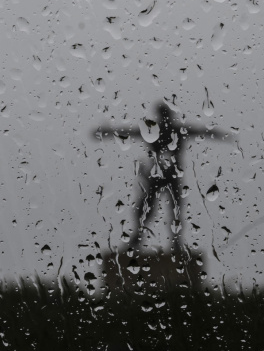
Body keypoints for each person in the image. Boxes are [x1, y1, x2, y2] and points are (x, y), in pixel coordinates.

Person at [93, 101, 234, 251]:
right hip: (160, 175)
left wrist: (221, 134)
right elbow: (129, 132)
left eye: (165, 115)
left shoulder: (171, 130)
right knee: (154, 207)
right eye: (163, 115)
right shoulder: (160, 130)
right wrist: (107, 131)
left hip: (168, 175)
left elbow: (202, 131)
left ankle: (169, 240)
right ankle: (147, 237)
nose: (164, 118)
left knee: (170, 208)